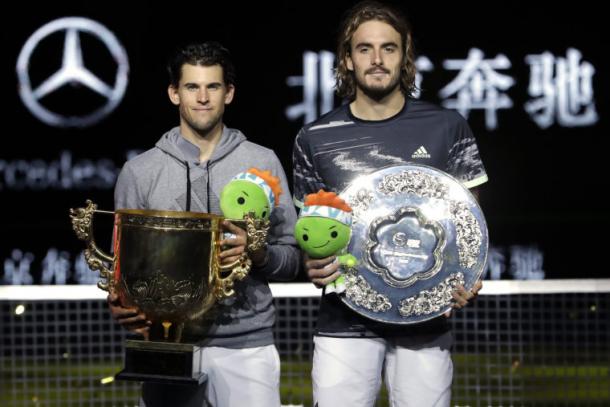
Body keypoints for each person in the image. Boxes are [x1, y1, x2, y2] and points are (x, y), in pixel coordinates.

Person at [292, 2, 487, 406]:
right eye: (364, 49)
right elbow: (308, 235)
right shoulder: (315, 138)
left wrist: (468, 277)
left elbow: (469, 230)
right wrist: (310, 260)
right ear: (347, 59)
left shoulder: (447, 127)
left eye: (389, 48)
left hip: (426, 325)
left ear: (405, 54)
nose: (377, 60)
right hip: (342, 325)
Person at [108, 41, 299, 407]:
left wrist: (258, 252)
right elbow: (124, 268)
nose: (202, 98)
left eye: (213, 87)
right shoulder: (140, 172)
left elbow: (291, 260)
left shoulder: (262, 162)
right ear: (173, 93)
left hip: (246, 345)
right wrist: (119, 300)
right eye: (192, 87)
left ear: (228, 94)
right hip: (166, 345)